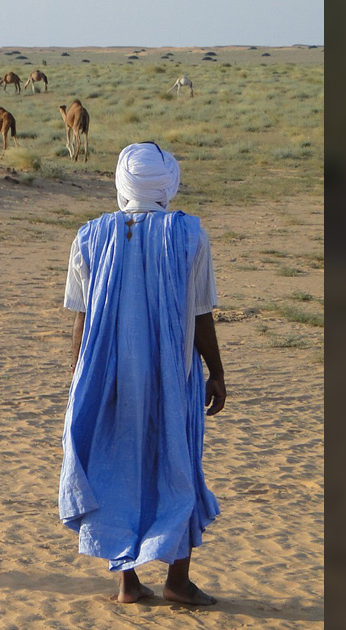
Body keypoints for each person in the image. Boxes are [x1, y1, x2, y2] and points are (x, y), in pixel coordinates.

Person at [59, 142, 227, 605]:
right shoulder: (190, 234)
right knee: (178, 461)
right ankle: (177, 580)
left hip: (111, 375)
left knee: (121, 462)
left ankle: (128, 583)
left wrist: (78, 380)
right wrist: (217, 372)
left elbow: (82, 318)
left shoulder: (90, 237)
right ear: (166, 184)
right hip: (174, 373)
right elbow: (199, 314)